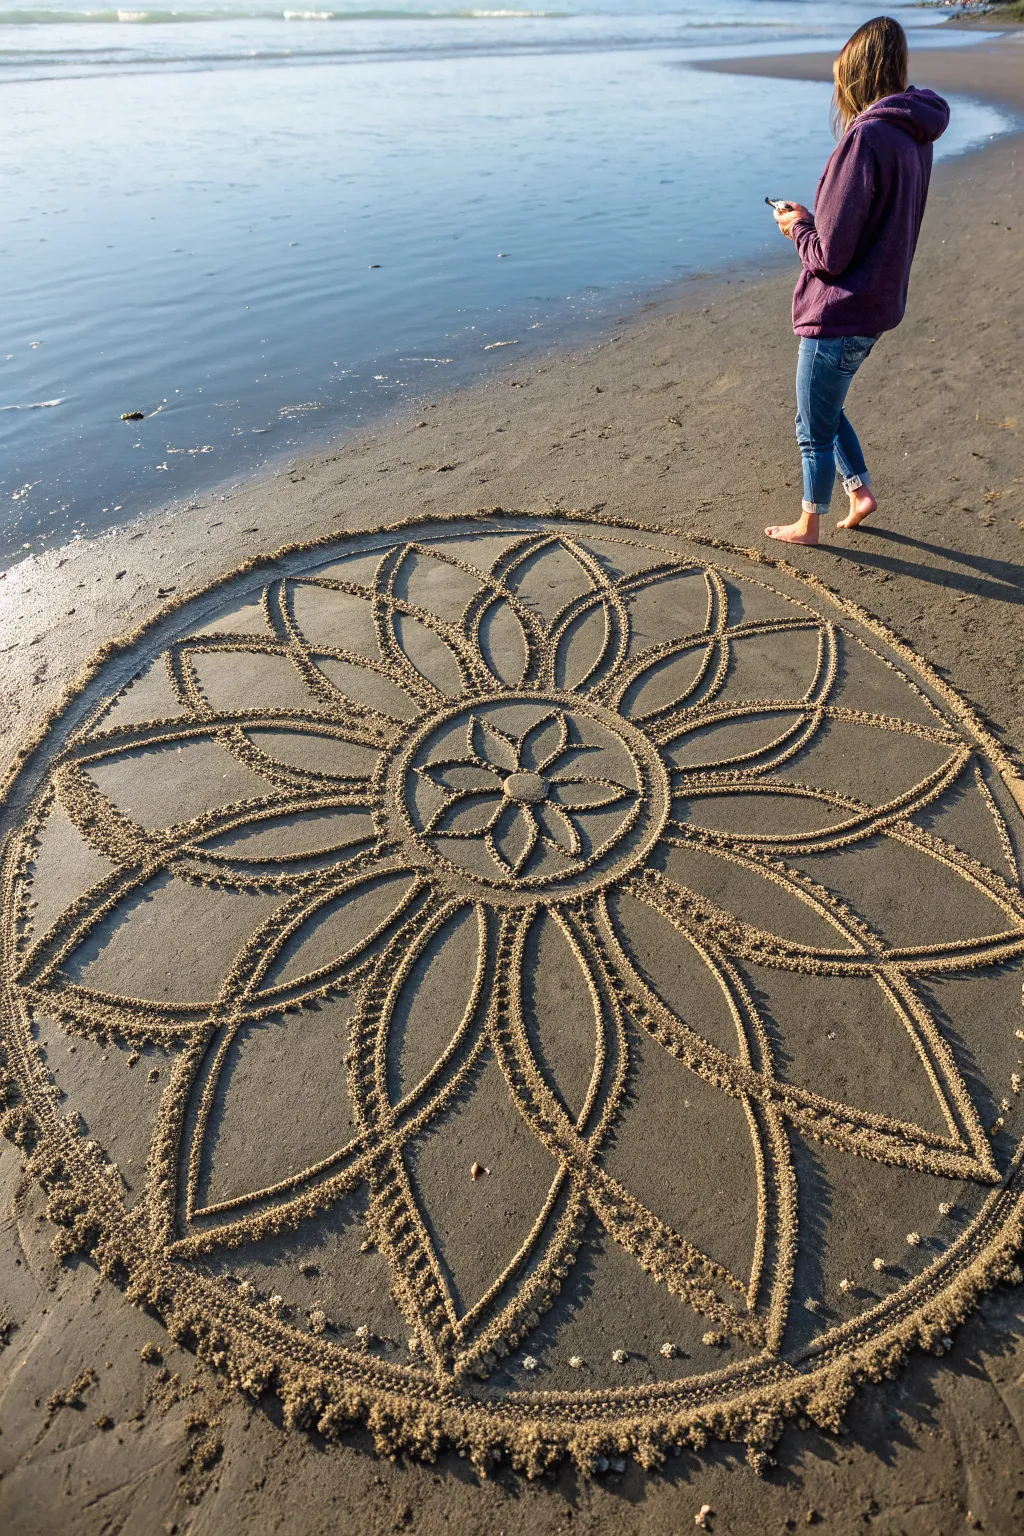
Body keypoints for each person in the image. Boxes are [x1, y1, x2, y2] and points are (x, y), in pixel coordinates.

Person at [765, 16, 949, 546]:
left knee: (811, 427)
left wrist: (796, 225)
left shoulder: (865, 137)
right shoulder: (915, 132)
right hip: (877, 305)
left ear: (857, 77)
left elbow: (829, 256)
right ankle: (859, 489)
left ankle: (808, 523)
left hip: (840, 311)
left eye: (840, 78)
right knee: (825, 405)